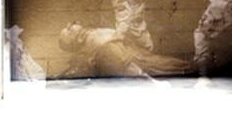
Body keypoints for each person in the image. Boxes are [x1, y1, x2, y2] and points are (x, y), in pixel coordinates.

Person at [58, 22, 194, 84]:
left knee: (185, 68)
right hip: (146, 66)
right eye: (69, 31)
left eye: (69, 26)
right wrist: (153, 83)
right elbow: (130, 68)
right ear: (77, 40)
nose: (71, 26)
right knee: (185, 70)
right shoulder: (99, 45)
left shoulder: (93, 35)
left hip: (143, 57)